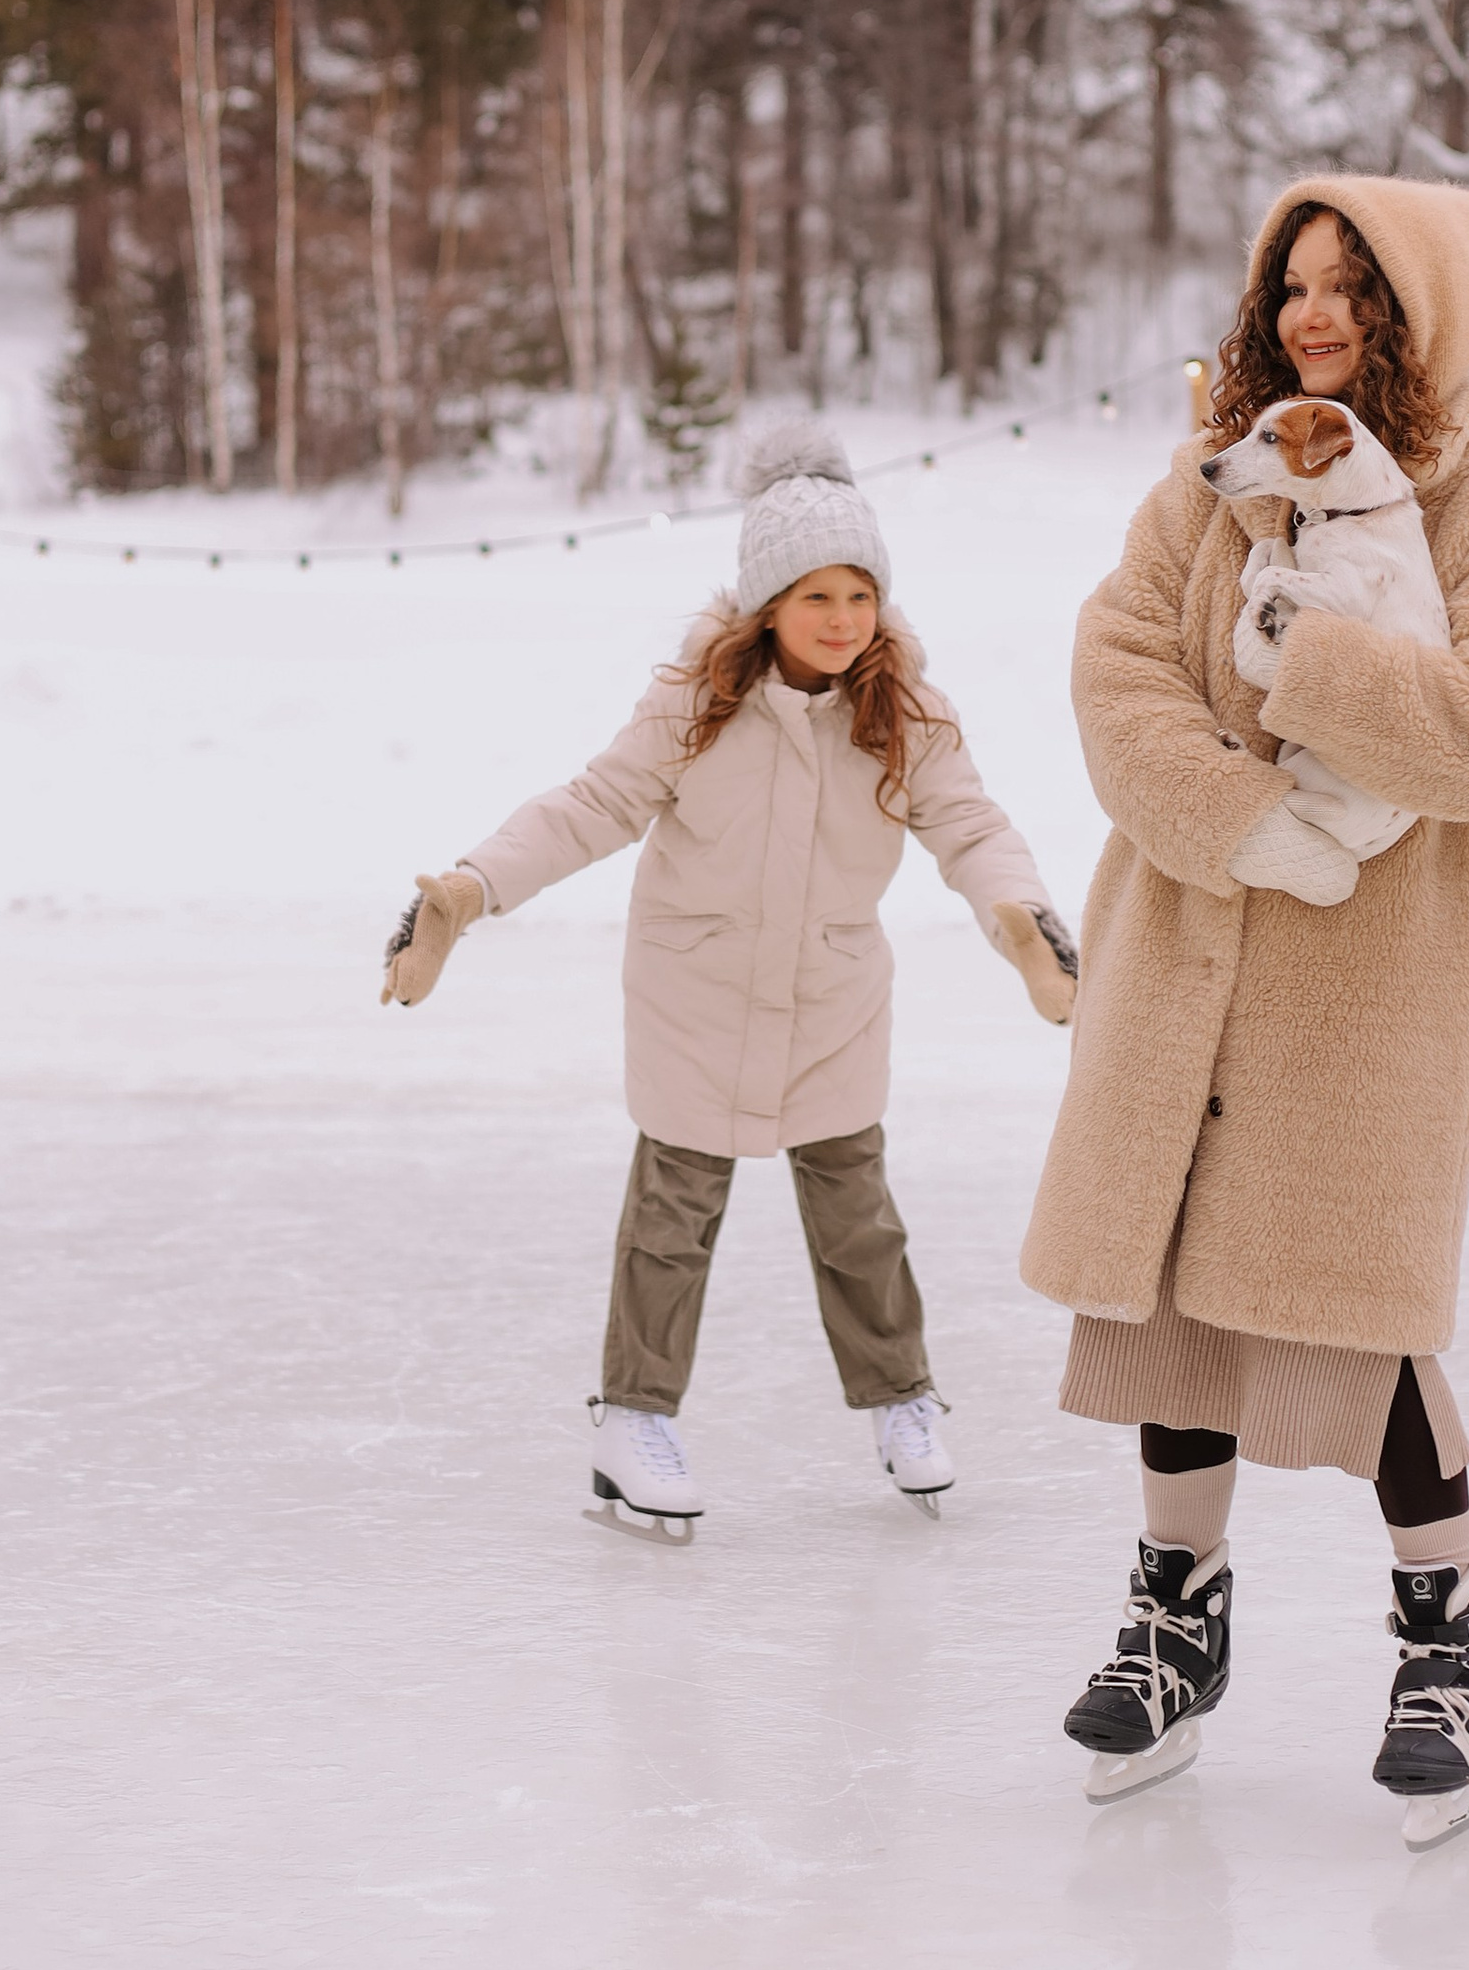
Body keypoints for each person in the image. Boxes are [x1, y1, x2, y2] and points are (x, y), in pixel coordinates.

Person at [1020, 177, 1469, 1843]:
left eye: (1353, 290)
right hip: (1186, 951)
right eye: (1292, 286)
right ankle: (1174, 1620)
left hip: (1366, 996)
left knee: (1358, 1313)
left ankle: (1450, 1638)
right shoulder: (1208, 487)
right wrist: (1239, 815)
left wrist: (1305, 661)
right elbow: (1113, 671)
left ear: (1419, 319)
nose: (1313, 315)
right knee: (1175, 1297)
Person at [384, 419, 1078, 1533]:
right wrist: (471, 890)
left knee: (858, 1215)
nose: (843, 621)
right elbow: (593, 806)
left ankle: (902, 1401)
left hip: (830, 998)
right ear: (766, 603)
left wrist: (1018, 917)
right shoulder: (694, 703)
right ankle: (630, 1419)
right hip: (694, 996)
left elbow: (969, 823)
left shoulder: (905, 712)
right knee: (673, 1212)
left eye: (861, 596)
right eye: (817, 598)